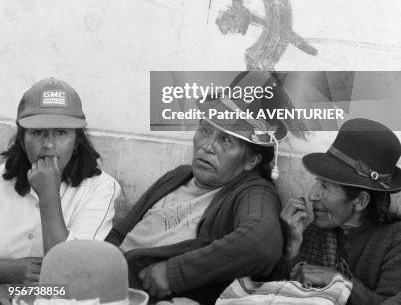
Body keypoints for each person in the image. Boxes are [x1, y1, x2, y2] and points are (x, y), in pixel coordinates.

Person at [106, 93, 285, 305]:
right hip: (108, 281)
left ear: (252, 160)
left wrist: (175, 273)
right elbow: (119, 234)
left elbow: (261, 243)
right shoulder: (178, 175)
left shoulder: (253, 191)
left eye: (226, 140)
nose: (207, 146)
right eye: (206, 130)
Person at [0, 77, 121, 285]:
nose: (48, 145)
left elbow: (70, 270)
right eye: (38, 133)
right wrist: (4, 271)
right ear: (22, 139)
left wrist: (49, 196)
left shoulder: (100, 188)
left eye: (61, 133)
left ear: (76, 142)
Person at [279, 118, 401, 305]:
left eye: (325, 187)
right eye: (317, 182)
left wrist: (342, 285)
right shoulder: (318, 231)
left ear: (360, 201)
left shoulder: (395, 243)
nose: (312, 196)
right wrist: (293, 245)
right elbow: (285, 293)